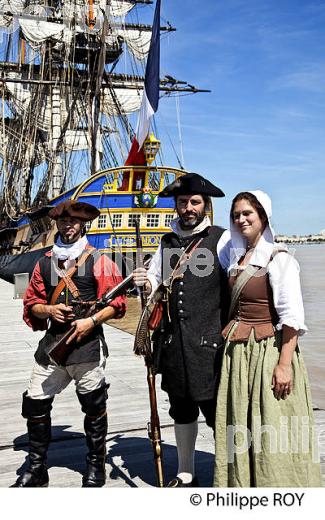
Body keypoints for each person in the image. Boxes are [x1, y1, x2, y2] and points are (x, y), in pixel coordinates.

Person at [13, 200, 126, 488]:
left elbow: (117, 304)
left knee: (93, 405)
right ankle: (37, 468)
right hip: (54, 345)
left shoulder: (99, 261)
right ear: (58, 225)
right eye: (63, 222)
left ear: (82, 225)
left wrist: (92, 321)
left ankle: (95, 465)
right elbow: (33, 303)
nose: (68, 226)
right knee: (35, 401)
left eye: (73, 222)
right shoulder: (44, 262)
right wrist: (49, 311)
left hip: (87, 346)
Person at [213, 190, 322, 487]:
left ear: (263, 216)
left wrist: (284, 364)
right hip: (239, 355)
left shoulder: (279, 259)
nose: (241, 219)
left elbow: (292, 318)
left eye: (248, 213)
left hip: (268, 352)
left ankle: (276, 487)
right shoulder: (236, 257)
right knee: (241, 424)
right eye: (236, 214)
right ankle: (244, 487)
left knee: (272, 424)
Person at [134, 172, 229, 487]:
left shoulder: (222, 238)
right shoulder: (167, 241)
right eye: (183, 202)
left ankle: (227, 471)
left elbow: (245, 271)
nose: (188, 207)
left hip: (209, 344)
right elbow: (158, 281)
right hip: (174, 343)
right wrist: (144, 282)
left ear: (205, 205)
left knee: (219, 412)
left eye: (195, 202)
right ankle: (185, 471)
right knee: (181, 408)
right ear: (176, 205)